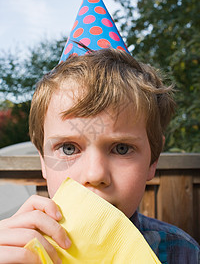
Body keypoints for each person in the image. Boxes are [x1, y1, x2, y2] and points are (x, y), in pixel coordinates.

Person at [0, 48, 199, 263]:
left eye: (121, 148)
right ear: (44, 162)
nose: (95, 175)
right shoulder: (15, 250)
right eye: (68, 148)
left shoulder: (182, 252)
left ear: (153, 159)